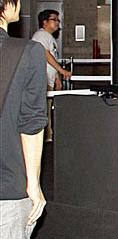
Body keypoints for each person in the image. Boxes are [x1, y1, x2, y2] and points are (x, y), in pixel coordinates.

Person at [0, 0, 48, 239]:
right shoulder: (26, 53)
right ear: (9, 4)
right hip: (6, 190)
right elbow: (30, 124)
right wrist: (34, 184)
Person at [31, 10, 71, 141]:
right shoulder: (41, 35)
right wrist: (62, 71)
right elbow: (46, 55)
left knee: (48, 110)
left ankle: (48, 136)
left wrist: (56, 78)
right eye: (54, 19)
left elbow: (52, 58)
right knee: (42, 111)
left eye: (58, 20)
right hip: (41, 80)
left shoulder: (50, 38)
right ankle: (44, 138)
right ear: (45, 22)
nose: (57, 23)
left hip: (48, 80)